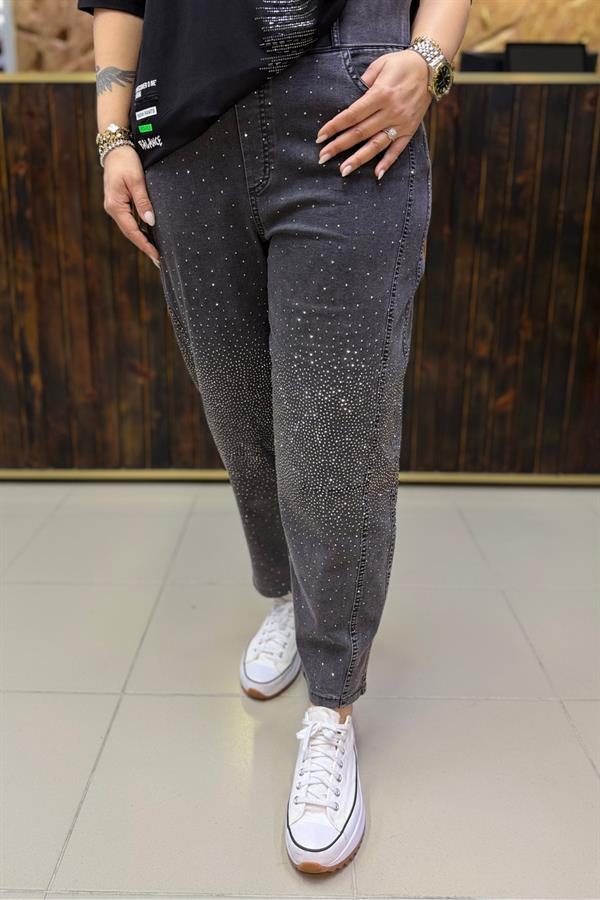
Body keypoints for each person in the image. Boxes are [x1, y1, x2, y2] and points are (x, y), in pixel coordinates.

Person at [78, 0, 471, 874]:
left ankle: (332, 704)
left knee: (335, 433)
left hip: (348, 107)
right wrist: (112, 137)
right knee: (240, 415)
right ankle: (293, 598)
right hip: (187, 134)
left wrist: (430, 60)